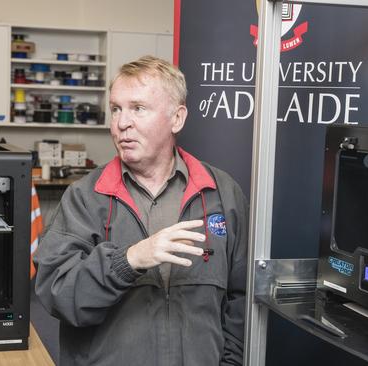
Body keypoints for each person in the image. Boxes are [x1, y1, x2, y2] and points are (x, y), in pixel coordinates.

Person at [35, 55, 248, 365]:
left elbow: (241, 301)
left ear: (177, 118)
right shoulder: (85, 198)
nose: (122, 123)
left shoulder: (222, 193)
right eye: (116, 109)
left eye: (138, 109)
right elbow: (58, 295)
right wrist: (129, 260)